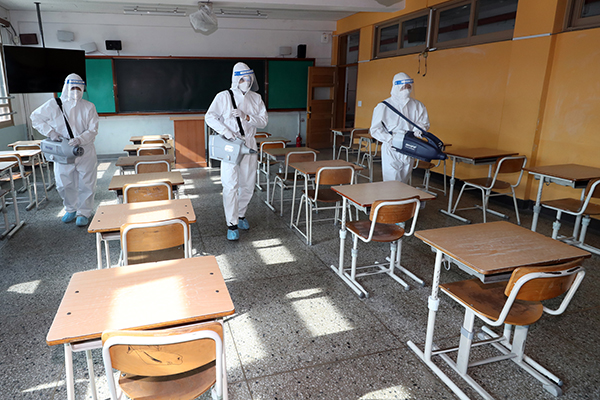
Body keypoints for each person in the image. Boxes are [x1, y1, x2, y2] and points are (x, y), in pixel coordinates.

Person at [205, 62, 268, 241]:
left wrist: (247, 116)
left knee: (248, 183)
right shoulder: (224, 97)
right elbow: (209, 116)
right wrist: (226, 131)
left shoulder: (256, 98)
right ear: (235, 79)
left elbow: (263, 121)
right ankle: (231, 224)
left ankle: (241, 215)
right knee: (230, 184)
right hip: (230, 144)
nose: (245, 82)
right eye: (242, 78)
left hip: (249, 142)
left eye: (248, 79)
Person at [30, 73, 99, 227]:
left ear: (82, 88)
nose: (75, 91)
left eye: (78, 88)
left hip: (85, 150)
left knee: (86, 182)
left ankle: (84, 212)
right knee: (64, 183)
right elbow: (35, 117)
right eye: (72, 88)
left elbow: (93, 129)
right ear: (66, 87)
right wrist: (51, 133)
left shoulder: (89, 107)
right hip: (63, 150)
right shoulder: (54, 104)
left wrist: (80, 139)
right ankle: (70, 209)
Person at [369, 72, 430, 183]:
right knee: (391, 181)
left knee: (405, 179)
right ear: (396, 86)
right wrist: (389, 139)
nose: (406, 89)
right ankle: (390, 200)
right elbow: (375, 129)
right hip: (392, 148)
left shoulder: (418, 105)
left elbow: (423, 122)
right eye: (403, 87)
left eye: (408, 86)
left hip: (410, 145)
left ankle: (402, 200)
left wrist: (419, 130)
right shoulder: (384, 106)